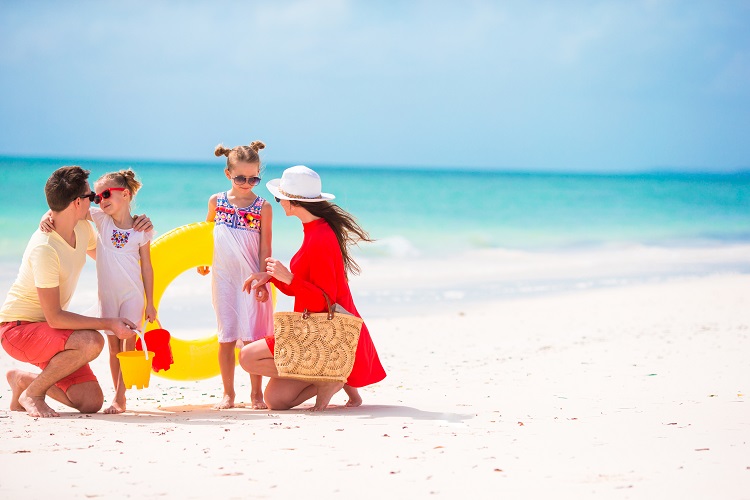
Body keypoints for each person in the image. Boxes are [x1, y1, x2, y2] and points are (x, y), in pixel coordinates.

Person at [0, 166, 152, 418]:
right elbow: (55, 318)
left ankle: (24, 382)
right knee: (92, 341)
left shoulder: (82, 231)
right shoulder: (45, 248)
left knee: (90, 401)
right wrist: (109, 322)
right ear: (77, 202)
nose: (96, 200)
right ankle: (33, 394)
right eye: (92, 196)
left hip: (49, 332)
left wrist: (139, 225)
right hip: (18, 329)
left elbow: (112, 256)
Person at [240, 165, 386, 411]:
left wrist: (288, 278)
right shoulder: (315, 229)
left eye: (280, 198)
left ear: (293, 202)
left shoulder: (321, 238)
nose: (279, 203)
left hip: (320, 333)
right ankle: (333, 376)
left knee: (247, 357)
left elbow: (324, 301)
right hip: (320, 332)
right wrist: (272, 278)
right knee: (276, 400)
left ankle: (328, 376)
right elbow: (304, 288)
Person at [41, 169, 157, 414]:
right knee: (114, 349)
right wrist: (45, 217)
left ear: (125, 194)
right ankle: (118, 392)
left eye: (106, 194)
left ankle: (120, 397)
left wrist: (151, 302)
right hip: (107, 298)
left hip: (132, 297)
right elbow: (65, 209)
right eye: (96, 197)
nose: (100, 200)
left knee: (129, 347)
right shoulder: (101, 219)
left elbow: (147, 267)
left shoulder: (141, 230)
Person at [197, 141, 274, 410]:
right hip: (224, 278)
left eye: (254, 178)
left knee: (253, 336)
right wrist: (203, 261)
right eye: (241, 177)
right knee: (227, 335)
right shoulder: (216, 202)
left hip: (252, 279)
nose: (247, 183)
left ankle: (256, 393)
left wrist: (264, 279)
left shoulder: (263, 207)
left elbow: (266, 248)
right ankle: (228, 393)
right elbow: (205, 237)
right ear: (228, 174)